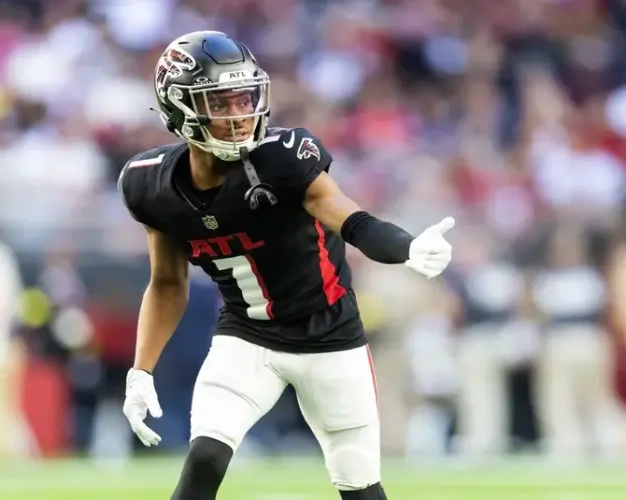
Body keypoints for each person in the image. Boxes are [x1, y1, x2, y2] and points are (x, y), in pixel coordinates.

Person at [119, 31, 455, 500]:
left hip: (331, 337)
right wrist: (141, 370)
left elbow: (351, 219)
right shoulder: (150, 184)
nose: (239, 116)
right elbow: (168, 283)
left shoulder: (282, 158)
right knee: (206, 458)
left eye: (244, 99)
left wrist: (407, 246)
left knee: (359, 485)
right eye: (221, 102)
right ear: (179, 109)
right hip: (247, 337)